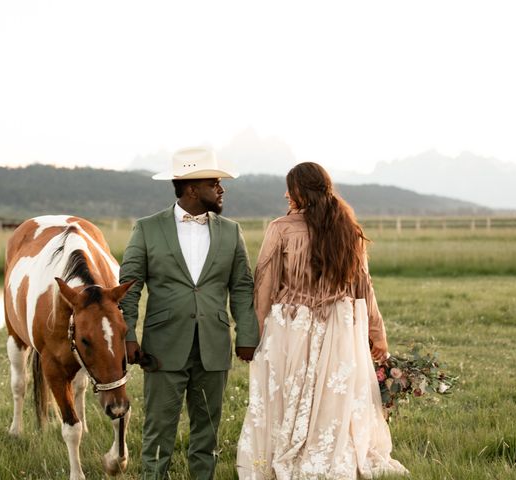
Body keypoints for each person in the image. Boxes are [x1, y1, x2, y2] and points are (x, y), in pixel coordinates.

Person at [236, 162, 408, 479]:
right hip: (338, 328)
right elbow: (363, 288)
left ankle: (289, 455)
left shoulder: (280, 228)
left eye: (291, 187)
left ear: (302, 191)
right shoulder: (348, 229)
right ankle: (326, 454)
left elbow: (264, 287)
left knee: (290, 397)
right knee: (330, 398)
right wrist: (376, 332)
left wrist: (253, 334)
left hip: (291, 328)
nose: (286, 193)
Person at [119, 146, 260, 479]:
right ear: (193, 188)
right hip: (163, 348)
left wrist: (247, 334)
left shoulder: (231, 231)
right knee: (158, 432)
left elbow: (241, 286)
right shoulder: (147, 228)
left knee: (207, 433)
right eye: (215, 183)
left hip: (213, 346)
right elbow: (128, 287)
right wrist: (128, 334)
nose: (221, 189)